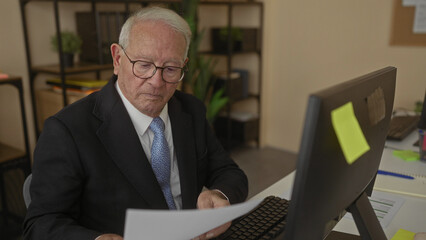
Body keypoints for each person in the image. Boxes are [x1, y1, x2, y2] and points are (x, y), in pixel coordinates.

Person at [23, 6, 248, 240]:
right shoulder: (66, 131)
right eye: (143, 65)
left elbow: (229, 171)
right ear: (117, 59)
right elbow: (41, 223)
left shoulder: (190, 109)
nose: (156, 82)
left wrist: (221, 195)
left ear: (184, 65)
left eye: (171, 69)